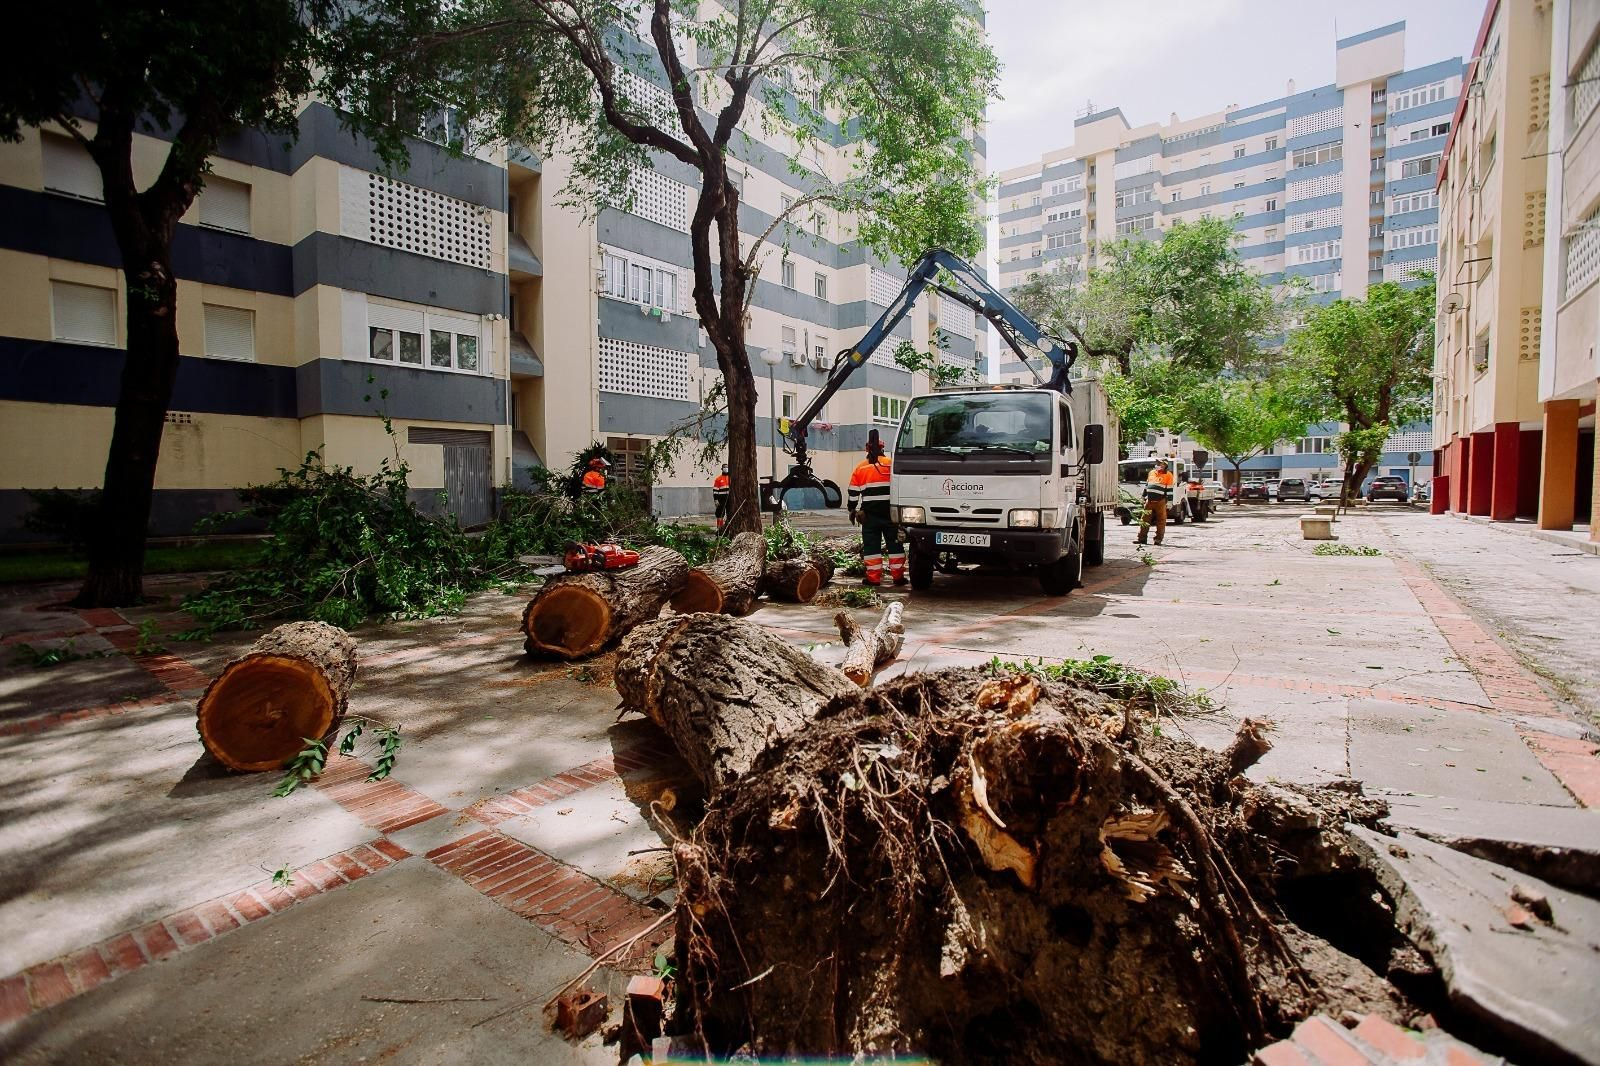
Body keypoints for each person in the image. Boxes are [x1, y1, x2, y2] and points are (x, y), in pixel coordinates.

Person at [847, 430, 905, 586]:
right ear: (882, 449)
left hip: (869, 515)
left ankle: (873, 579)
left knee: (871, 547)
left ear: (867, 449)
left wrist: (852, 509)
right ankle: (898, 577)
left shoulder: (860, 468)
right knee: (895, 545)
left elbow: (853, 493)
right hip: (890, 514)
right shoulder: (891, 464)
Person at [1136, 457, 1175, 546]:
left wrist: (1169, 501)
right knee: (1144, 519)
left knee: (1161, 521)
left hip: (1160, 501)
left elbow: (1169, 489)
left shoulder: (1168, 475)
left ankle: (1158, 540)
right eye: (1157, 463)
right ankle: (1142, 538)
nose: (1157, 465)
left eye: (1160, 463)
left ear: (1165, 465)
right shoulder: (1152, 473)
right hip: (1149, 500)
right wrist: (1143, 496)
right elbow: (1147, 486)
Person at [712, 464, 731, 532]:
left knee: (729, 513)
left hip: (729, 499)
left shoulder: (730, 478)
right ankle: (719, 528)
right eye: (724, 467)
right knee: (720, 513)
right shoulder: (718, 479)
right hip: (721, 499)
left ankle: (728, 528)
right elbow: (715, 490)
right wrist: (716, 500)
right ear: (722, 469)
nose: (726, 468)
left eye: (727, 467)